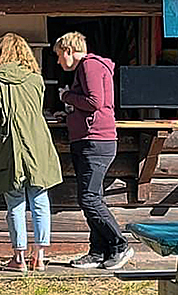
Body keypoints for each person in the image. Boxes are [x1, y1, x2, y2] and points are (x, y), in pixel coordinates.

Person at [0, 33, 62, 272]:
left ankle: (19, 257)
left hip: (10, 145)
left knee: (15, 202)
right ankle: (41, 256)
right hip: (37, 143)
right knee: (40, 200)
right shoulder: (36, 80)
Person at [54, 31, 133, 270]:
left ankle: (120, 245)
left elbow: (94, 102)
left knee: (88, 198)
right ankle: (99, 251)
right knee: (92, 196)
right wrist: (70, 113)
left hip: (95, 140)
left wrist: (65, 96)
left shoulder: (89, 66)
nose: (58, 61)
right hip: (91, 138)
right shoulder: (92, 68)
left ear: (68, 50)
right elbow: (90, 104)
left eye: (59, 55)